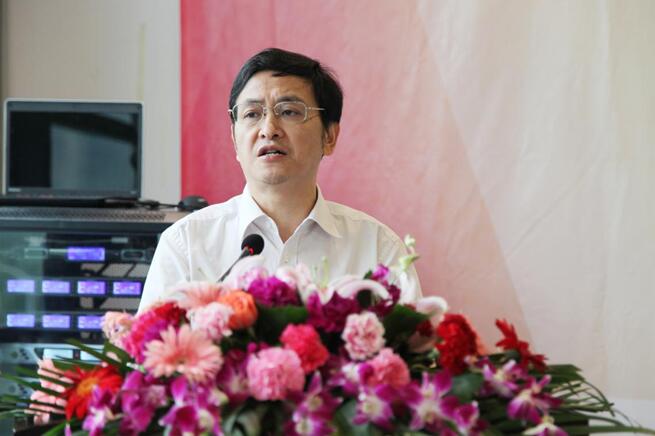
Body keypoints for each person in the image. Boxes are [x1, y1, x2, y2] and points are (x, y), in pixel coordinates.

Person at [138, 48, 421, 312]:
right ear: (234, 139)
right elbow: (151, 346)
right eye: (252, 114)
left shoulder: (377, 249)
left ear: (329, 136)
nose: (269, 129)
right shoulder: (187, 245)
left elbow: (414, 348)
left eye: (289, 112)